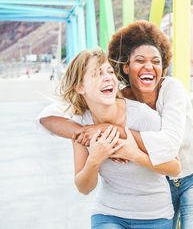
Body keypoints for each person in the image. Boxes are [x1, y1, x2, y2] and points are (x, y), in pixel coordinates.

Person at [38, 48, 180, 229]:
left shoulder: (143, 116)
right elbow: (84, 188)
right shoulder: (83, 124)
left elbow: (175, 167)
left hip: (155, 216)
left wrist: (134, 154)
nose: (108, 77)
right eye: (97, 73)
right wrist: (94, 160)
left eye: (110, 72)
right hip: (108, 214)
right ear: (80, 87)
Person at [104, 20, 193, 229]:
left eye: (156, 61)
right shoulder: (118, 99)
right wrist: (91, 131)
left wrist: (120, 133)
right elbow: (58, 114)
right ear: (126, 67)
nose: (149, 66)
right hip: (159, 179)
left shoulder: (172, 89)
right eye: (140, 60)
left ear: (162, 66)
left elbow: (168, 145)